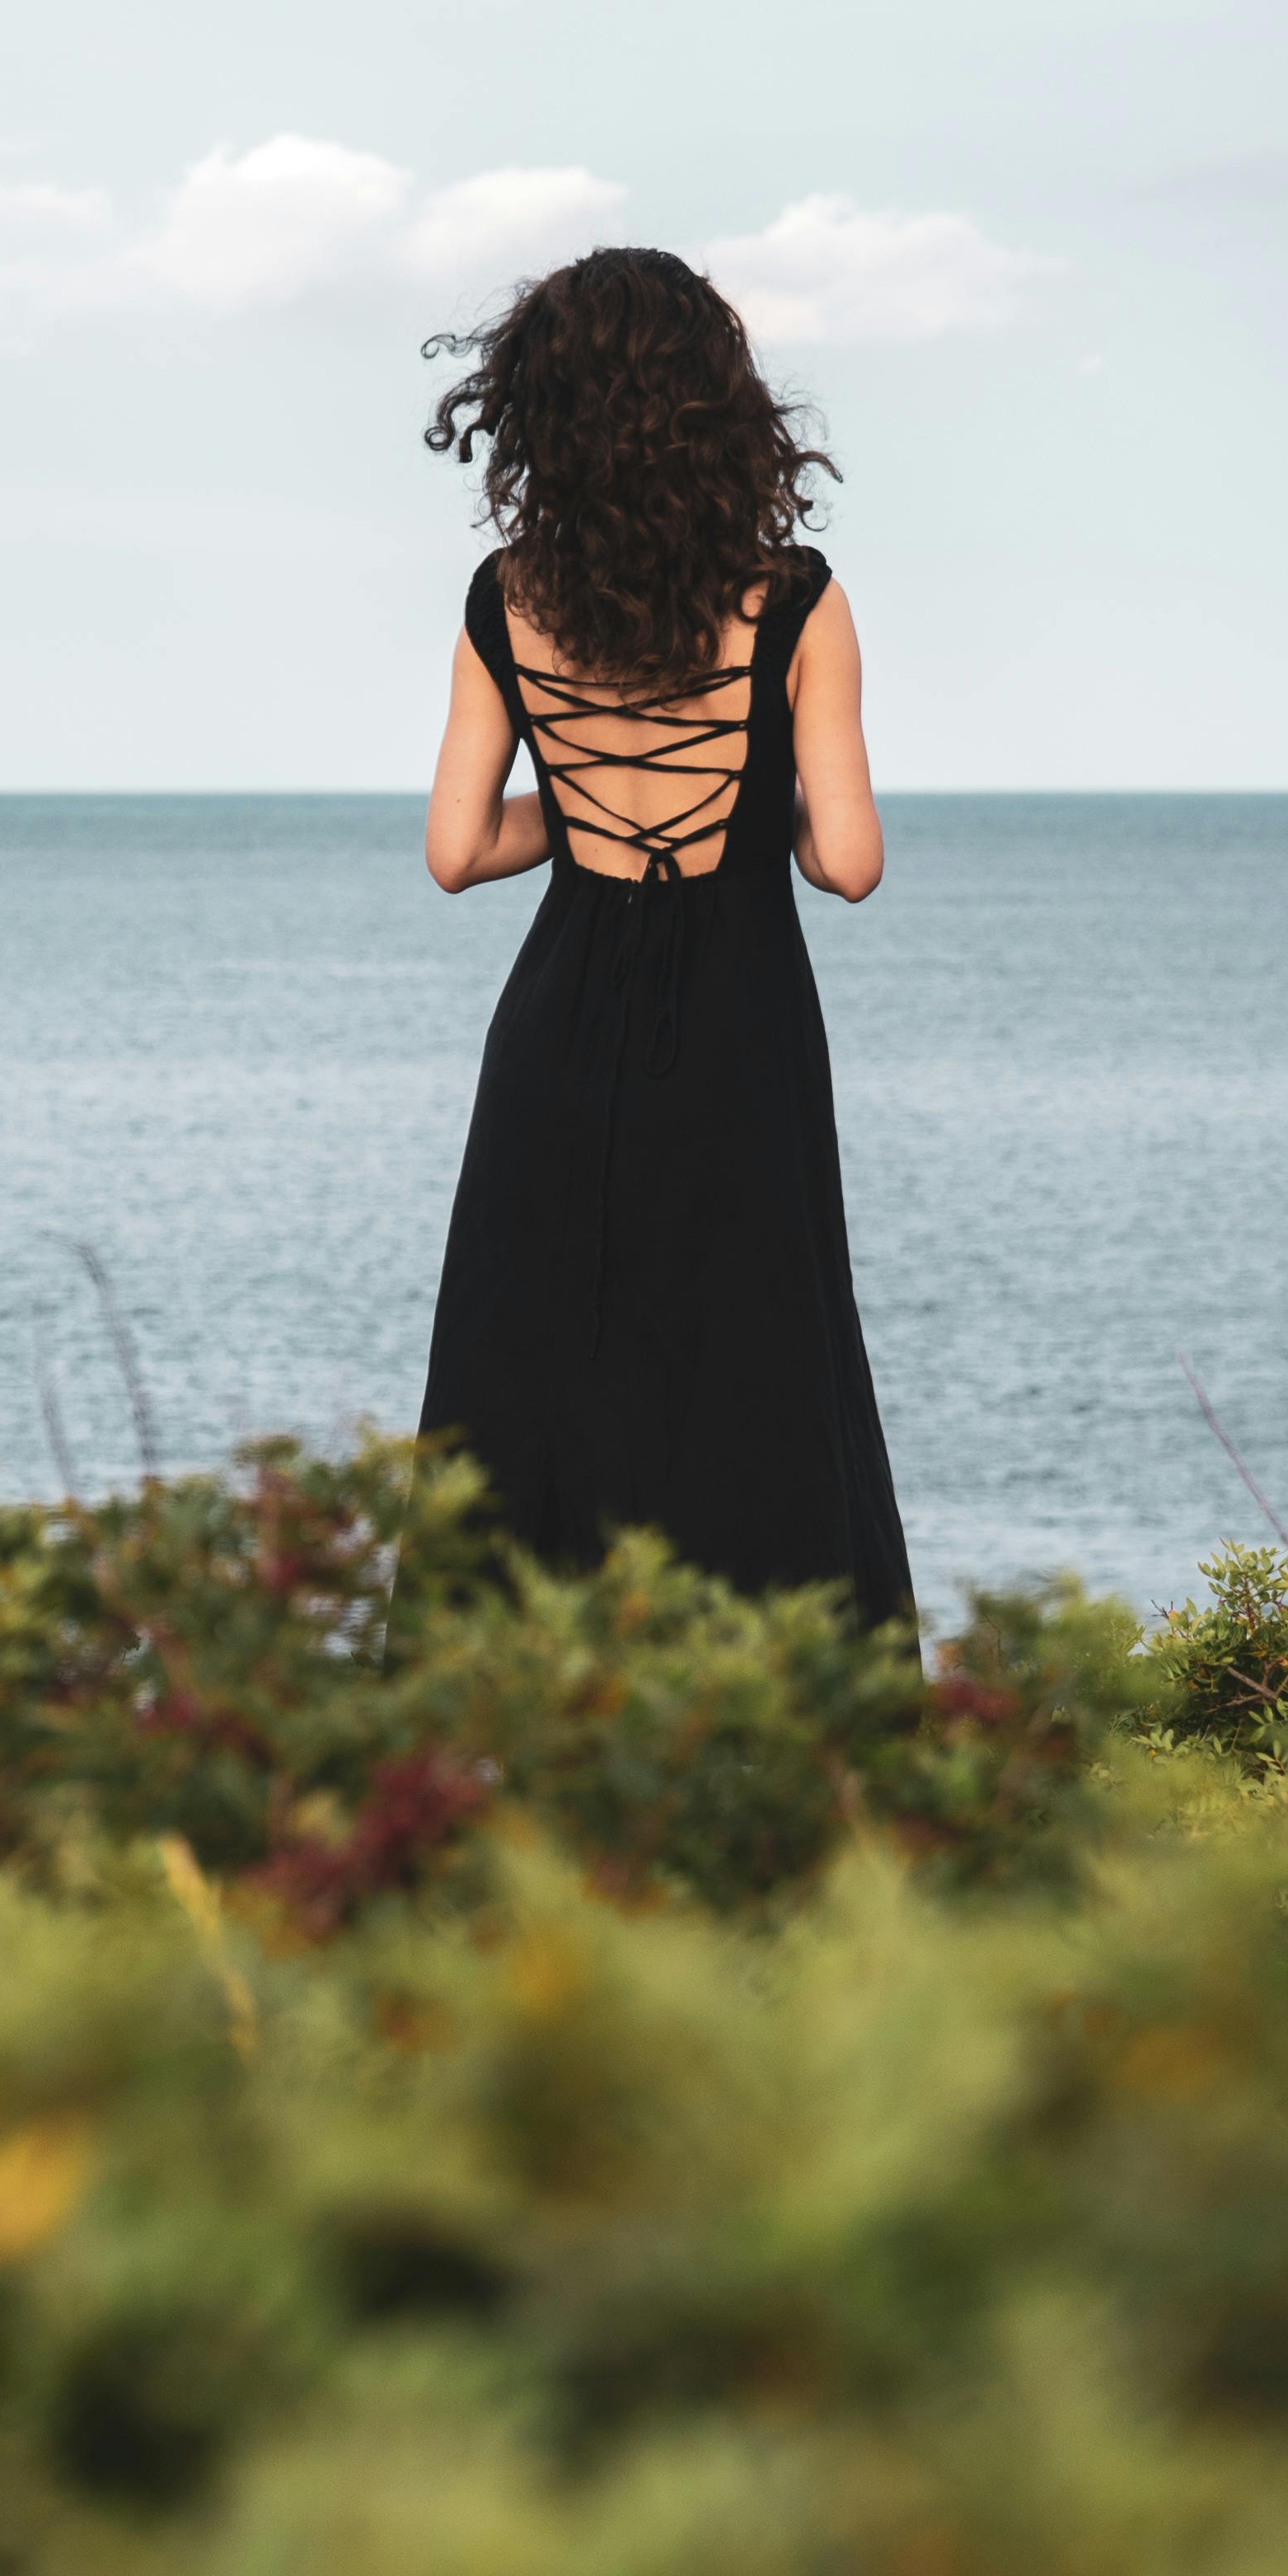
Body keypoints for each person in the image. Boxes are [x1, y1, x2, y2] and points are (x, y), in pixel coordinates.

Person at [416, 241, 912, 1623]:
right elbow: (849, 862)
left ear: (541, 417)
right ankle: (774, 1710)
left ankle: (517, 1717)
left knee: (539, 1365)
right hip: (741, 1019)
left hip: (560, 1021)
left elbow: (460, 851)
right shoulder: (795, 598)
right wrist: (753, 805)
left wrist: (582, 815)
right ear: (721, 404)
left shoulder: (506, 599)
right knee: (754, 1367)